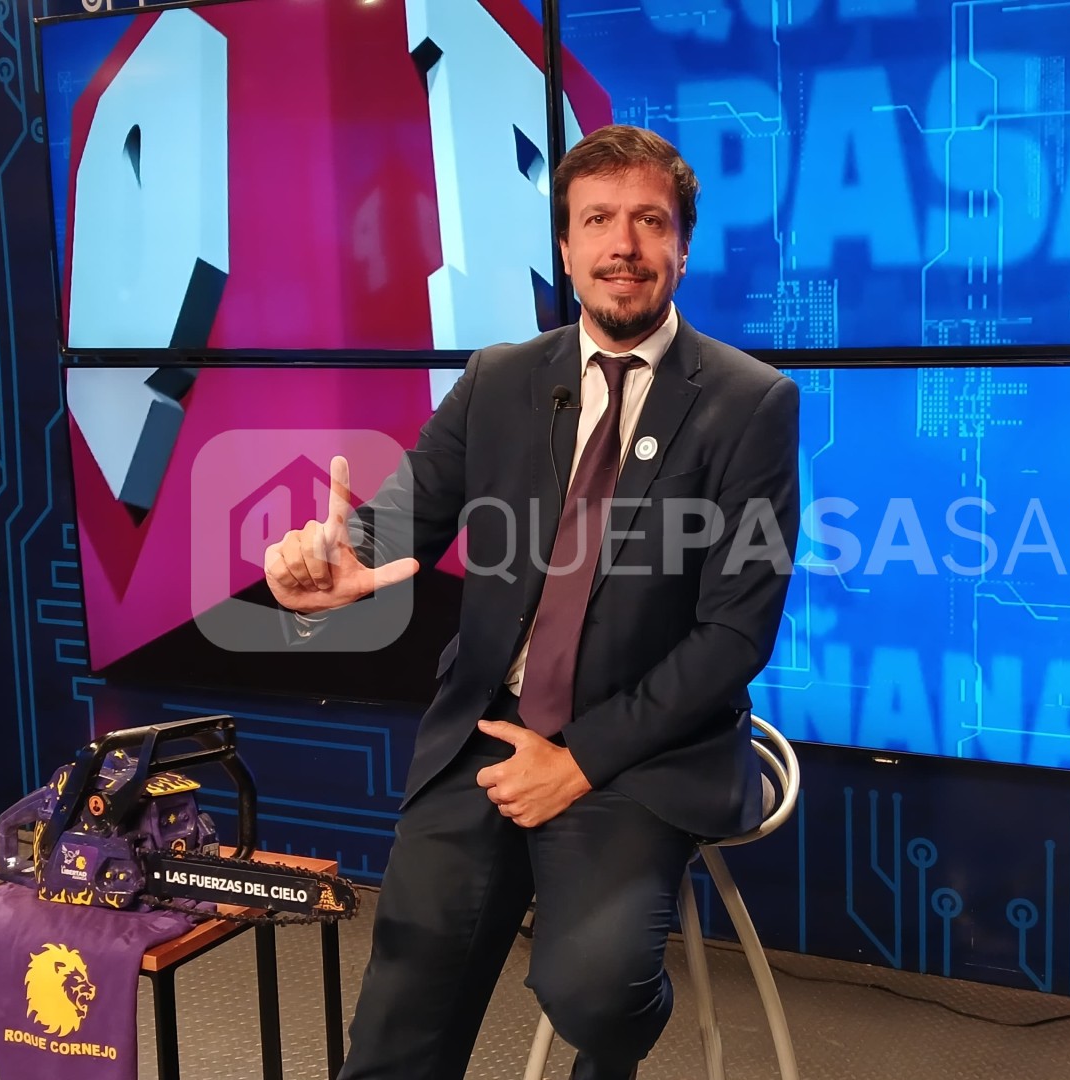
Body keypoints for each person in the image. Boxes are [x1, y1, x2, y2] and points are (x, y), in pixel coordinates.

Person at [263, 125, 801, 1080]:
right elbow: (394, 525)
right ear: (565, 246)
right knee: (399, 1021)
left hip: (638, 748)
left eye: (649, 221)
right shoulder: (500, 378)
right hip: (489, 727)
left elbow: (735, 633)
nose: (622, 245)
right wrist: (322, 573)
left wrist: (579, 761)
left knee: (597, 991)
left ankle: (620, 1034)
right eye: (598, 220)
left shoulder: (749, 401)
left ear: (683, 247)